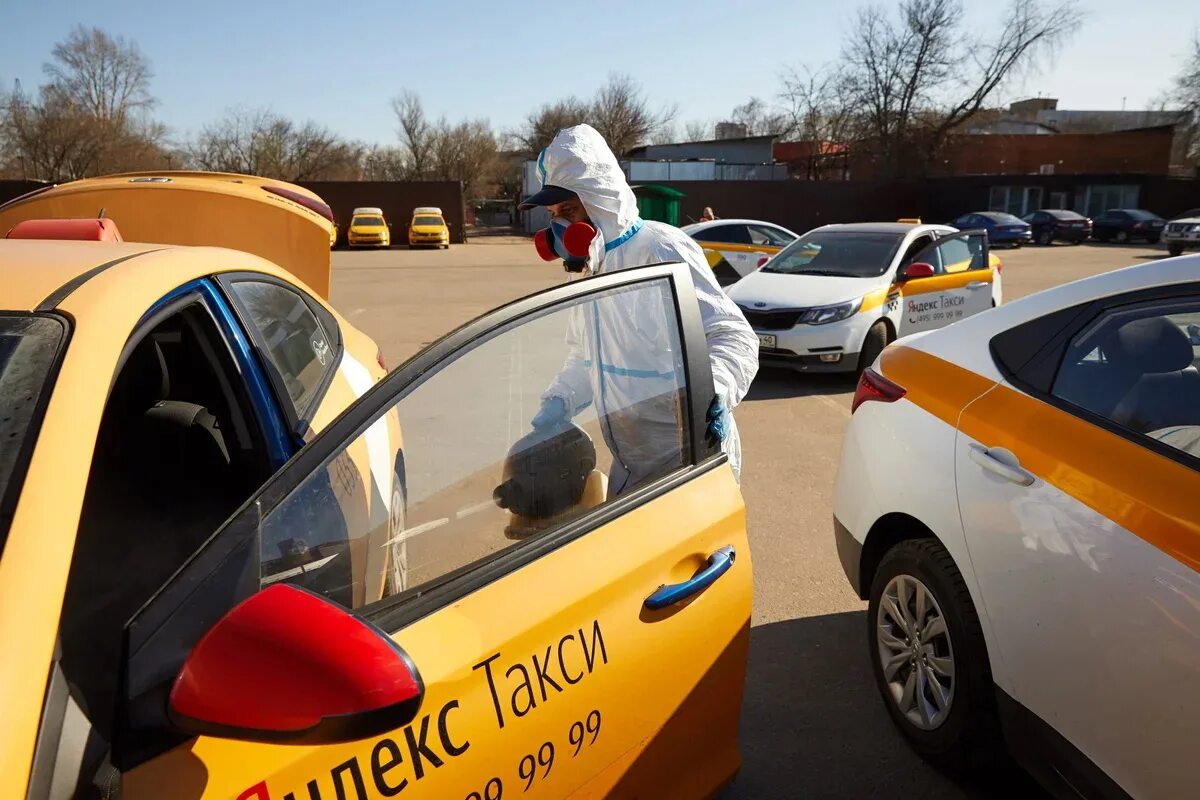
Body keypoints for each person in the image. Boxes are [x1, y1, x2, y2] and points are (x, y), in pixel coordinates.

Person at [519, 125, 758, 494]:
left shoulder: (661, 250)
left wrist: (718, 389)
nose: (559, 225)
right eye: (553, 214)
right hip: (630, 466)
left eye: (567, 209)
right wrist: (559, 400)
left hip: (688, 461)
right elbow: (587, 356)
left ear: (599, 198)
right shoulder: (588, 270)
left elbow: (733, 335)